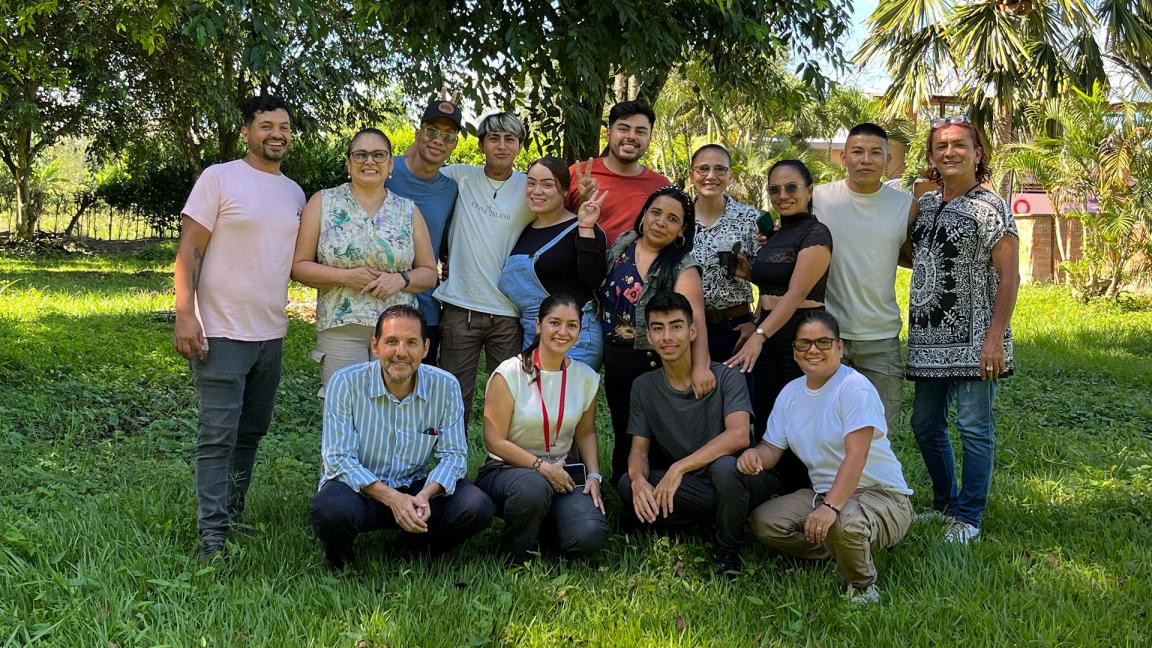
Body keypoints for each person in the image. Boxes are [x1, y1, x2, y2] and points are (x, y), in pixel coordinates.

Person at [172, 95, 307, 561]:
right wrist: (185, 314)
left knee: (251, 431)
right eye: (266, 125)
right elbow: (189, 249)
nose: (277, 133)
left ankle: (232, 511)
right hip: (222, 332)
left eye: (284, 126)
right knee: (217, 434)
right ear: (247, 131)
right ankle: (211, 536)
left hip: (271, 335)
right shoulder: (219, 178)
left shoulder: (294, 193)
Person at [739, 311, 913, 604]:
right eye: (804, 344)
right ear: (794, 352)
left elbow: (856, 456)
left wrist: (830, 507)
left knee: (840, 522)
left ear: (840, 347)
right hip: (822, 494)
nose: (813, 350)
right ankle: (842, 548)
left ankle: (862, 585)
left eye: (823, 342)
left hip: (881, 496)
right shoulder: (790, 394)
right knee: (765, 522)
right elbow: (771, 449)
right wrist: (754, 456)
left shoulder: (854, 388)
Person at [309, 306, 495, 571]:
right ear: (375, 346)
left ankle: (410, 550)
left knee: (476, 506)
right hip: (361, 489)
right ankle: (341, 563)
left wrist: (424, 496)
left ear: (425, 347)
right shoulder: (345, 383)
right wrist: (392, 499)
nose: (401, 352)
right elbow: (338, 459)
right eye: (391, 342)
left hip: (416, 488)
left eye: (411, 343)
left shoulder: (446, 385)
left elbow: (454, 456)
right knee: (329, 509)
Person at [906, 116, 1019, 544]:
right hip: (928, 336)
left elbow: (1009, 277)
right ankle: (943, 503)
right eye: (941, 146)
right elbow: (911, 254)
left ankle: (968, 517)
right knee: (924, 423)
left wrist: (995, 339)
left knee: (974, 426)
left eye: (959, 144)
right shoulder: (929, 202)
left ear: (978, 152)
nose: (949, 151)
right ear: (932, 156)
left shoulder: (990, 206)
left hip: (976, 339)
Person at [616, 292, 784, 576]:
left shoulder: (727, 376)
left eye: (676, 326)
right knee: (625, 484)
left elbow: (739, 436)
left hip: (740, 479)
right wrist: (637, 481)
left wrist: (679, 467)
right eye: (658, 328)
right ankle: (715, 521)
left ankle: (727, 553)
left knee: (725, 467)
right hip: (695, 488)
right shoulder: (644, 387)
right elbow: (639, 451)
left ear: (693, 330)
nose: (668, 336)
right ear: (649, 335)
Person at [291, 128, 437, 395]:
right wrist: (345, 276)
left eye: (378, 155)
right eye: (360, 155)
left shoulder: (408, 210)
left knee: (395, 414)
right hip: (341, 328)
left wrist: (401, 280)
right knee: (344, 412)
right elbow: (299, 266)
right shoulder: (323, 202)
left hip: (398, 334)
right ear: (348, 163)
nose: (369, 161)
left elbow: (429, 273)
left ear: (391, 163)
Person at [725, 159, 832, 491]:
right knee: (769, 414)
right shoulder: (774, 233)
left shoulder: (816, 234)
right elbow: (769, 290)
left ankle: (804, 494)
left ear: (809, 191)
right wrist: (755, 323)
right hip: (769, 332)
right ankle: (772, 491)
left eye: (791, 188)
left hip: (801, 334)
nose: (782, 195)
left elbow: (795, 293)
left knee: (801, 419)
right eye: (774, 189)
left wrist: (760, 333)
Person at [477, 294, 607, 564]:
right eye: (554, 323)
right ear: (538, 325)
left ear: (580, 332)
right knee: (533, 489)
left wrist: (594, 475)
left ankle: (543, 526)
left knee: (588, 535)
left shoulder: (585, 377)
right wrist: (541, 467)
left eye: (572, 325)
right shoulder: (509, 373)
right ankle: (513, 556)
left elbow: (586, 433)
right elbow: (494, 441)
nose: (563, 332)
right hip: (507, 470)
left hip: (562, 471)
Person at [599, 186, 715, 481]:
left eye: (672, 219)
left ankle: (665, 491)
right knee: (622, 423)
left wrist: (700, 366)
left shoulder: (682, 267)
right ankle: (625, 487)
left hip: (654, 360)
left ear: (681, 231)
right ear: (644, 215)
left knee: (651, 431)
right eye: (656, 213)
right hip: (616, 356)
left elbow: (696, 321)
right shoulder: (623, 245)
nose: (661, 222)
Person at [432, 112, 535, 424]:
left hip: (507, 313)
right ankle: (453, 468)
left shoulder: (531, 188)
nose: (501, 146)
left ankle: (501, 469)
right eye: (494, 138)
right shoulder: (460, 176)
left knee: (507, 401)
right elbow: (419, 174)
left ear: (519, 145)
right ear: (481, 145)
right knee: (453, 398)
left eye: (510, 139)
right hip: (459, 307)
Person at [812, 124, 913, 431]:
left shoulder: (905, 206)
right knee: (826, 431)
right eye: (857, 152)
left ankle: (874, 483)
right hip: (828, 334)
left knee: (879, 434)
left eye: (875, 153)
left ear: (888, 158)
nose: (865, 160)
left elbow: (911, 255)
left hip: (880, 338)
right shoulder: (819, 198)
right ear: (844, 157)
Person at [501, 156, 608, 368]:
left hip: (573, 338)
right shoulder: (523, 231)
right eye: (531, 183)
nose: (536, 191)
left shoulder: (583, 226)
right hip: (534, 337)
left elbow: (593, 278)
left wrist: (586, 228)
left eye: (547, 185)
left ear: (565, 191)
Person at [385, 99, 464, 364]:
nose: (438, 140)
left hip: (424, 308)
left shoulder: (451, 189)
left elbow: (447, 243)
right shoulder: (386, 169)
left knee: (418, 394)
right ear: (418, 133)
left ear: (454, 145)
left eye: (448, 136)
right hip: (375, 300)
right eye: (431, 131)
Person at [688, 144, 760, 367]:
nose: (711, 176)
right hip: (687, 328)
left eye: (720, 169)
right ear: (692, 175)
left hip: (736, 328)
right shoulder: (679, 218)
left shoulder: (750, 219)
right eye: (703, 169)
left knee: (737, 398)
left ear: (730, 175)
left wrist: (755, 323)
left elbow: (772, 279)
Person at [566, 100, 671, 244]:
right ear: (609, 132)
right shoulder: (579, 174)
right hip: (580, 263)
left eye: (640, 131)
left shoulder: (662, 187)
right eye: (623, 129)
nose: (631, 136)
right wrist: (582, 203)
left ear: (650, 137)